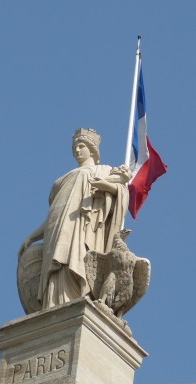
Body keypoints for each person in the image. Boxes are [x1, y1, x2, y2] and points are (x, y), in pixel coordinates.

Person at [19, 128, 131, 309]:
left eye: (81, 146)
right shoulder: (61, 181)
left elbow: (121, 195)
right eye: (75, 148)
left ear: (93, 149)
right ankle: (54, 305)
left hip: (84, 227)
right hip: (59, 229)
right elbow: (53, 217)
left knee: (76, 259)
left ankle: (78, 297)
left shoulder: (104, 170)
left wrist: (108, 186)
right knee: (57, 266)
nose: (78, 151)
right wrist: (32, 237)